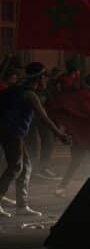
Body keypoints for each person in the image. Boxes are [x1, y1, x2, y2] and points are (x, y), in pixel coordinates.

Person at [0, 63, 71, 217]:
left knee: (25, 167)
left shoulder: (17, 89)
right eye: (44, 76)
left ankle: (22, 206)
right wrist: (60, 135)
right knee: (15, 167)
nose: (46, 79)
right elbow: (44, 117)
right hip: (12, 133)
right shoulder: (29, 94)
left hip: (12, 132)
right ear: (39, 77)